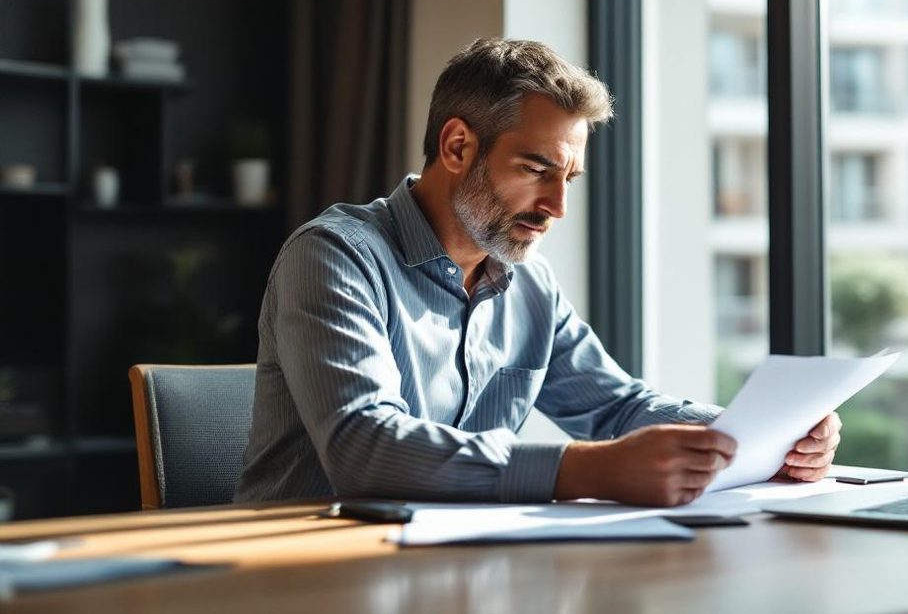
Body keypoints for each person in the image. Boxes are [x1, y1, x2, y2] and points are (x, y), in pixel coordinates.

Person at [235, 38, 841, 507]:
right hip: (309, 570)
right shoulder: (334, 257)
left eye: (567, 179)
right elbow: (363, 449)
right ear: (456, 147)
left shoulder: (528, 283)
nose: (557, 207)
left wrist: (756, 434)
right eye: (534, 169)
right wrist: (586, 468)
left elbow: (617, 407)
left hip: (458, 563)